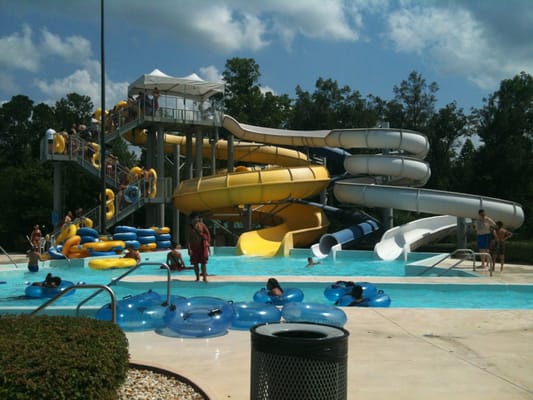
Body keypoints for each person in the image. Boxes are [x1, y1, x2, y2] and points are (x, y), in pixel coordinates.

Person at [188, 215, 211, 282]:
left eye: (196, 218)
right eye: (194, 218)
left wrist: (208, 243)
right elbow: (188, 239)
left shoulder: (202, 225)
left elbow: (208, 233)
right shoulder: (190, 228)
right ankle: (197, 277)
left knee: (203, 263)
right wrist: (189, 249)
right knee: (195, 263)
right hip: (194, 247)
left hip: (202, 246)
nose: (195, 219)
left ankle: (204, 277)